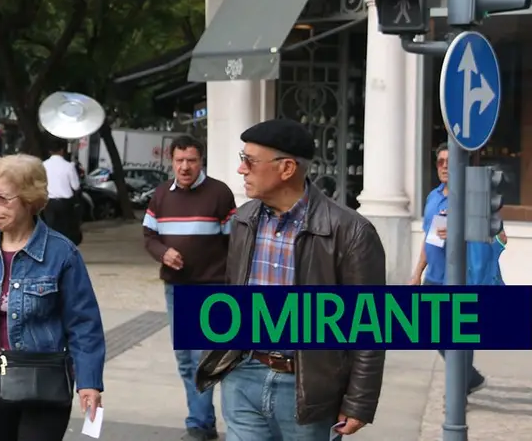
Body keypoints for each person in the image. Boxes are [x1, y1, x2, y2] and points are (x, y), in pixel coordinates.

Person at [196, 119, 386, 440]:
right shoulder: (244, 220)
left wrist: (359, 402)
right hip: (243, 375)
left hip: (308, 387)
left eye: (250, 161)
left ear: (286, 169)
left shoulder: (351, 232)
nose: (242, 170)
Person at [0, 154, 106, 441]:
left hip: (44, 388)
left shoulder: (62, 254)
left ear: (29, 200)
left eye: (3, 198)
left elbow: (83, 324)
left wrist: (90, 382)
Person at [142, 134, 234, 441]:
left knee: (203, 357)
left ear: (201, 161)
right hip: (177, 288)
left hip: (211, 287)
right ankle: (203, 422)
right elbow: (149, 236)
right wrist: (162, 253)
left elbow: (233, 241)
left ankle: (198, 424)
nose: (185, 167)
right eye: (179, 160)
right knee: (185, 358)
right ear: (172, 161)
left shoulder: (219, 193)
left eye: (191, 161)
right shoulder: (160, 196)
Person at [409, 142, 505, 395]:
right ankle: (469, 379)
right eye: (439, 162)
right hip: (434, 278)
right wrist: (417, 272)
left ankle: (459, 391)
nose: (443, 167)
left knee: (460, 338)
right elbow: (429, 239)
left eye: (449, 162)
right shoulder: (433, 197)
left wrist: (459, 231)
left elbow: (499, 238)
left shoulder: (474, 199)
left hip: (461, 279)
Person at [41, 138, 82, 244]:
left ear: (49, 151)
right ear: (62, 150)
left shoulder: (43, 165)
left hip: (49, 202)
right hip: (65, 204)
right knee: (65, 230)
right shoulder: (69, 166)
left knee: (50, 230)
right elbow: (76, 186)